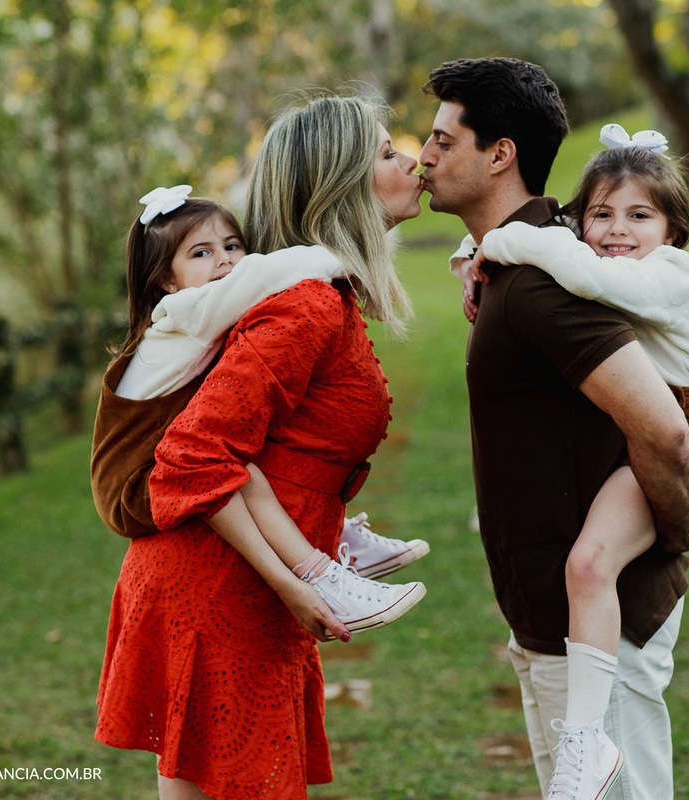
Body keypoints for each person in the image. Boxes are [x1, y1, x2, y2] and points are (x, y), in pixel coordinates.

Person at [94, 93, 425, 800]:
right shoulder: (304, 304)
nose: (415, 162)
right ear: (344, 181)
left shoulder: (324, 297)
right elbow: (194, 456)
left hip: (240, 572)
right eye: (389, 153)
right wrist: (295, 580)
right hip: (224, 583)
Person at [420, 59, 689, 800]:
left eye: (442, 141)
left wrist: (677, 526)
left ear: (500, 154)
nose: (425, 157)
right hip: (556, 620)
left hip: (599, 635)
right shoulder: (524, 264)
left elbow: (668, 432)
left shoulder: (546, 283)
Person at [91, 184, 428, 641]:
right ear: (166, 281)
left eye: (232, 245)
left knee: (244, 449)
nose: (226, 261)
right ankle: (320, 573)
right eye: (201, 253)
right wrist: (342, 256)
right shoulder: (186, 311)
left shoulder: (195, 309)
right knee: (241, 473)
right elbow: (263, 276)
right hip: (132, 488)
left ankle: (335, 536)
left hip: (151, 467)